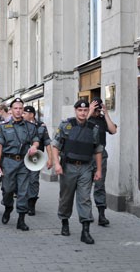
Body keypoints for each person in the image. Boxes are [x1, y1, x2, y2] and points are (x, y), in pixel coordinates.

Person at [51, 99, 103, 244]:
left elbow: (98, 150)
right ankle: (64, 222)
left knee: (85, 198)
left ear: (88, 111)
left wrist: (99, 170)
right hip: (69, 167)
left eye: (85, 110)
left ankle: (85, 231)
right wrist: (57, 164)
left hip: (86, 168)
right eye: (80, 110)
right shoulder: (66, 125)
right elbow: (55, 146)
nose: (82, 113)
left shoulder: (93, 128)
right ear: (75, 111)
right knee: (66, 197)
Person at [0, 98, 40, 231]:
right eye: (16, 108)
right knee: (7, 189)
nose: (18, 111)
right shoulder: (3, 126)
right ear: (11, 110)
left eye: (21, 108)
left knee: (23, 191)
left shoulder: (30, 126)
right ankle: (8, 208)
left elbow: (36, 140)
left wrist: (35, 146)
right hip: (8, 162)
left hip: (24, 163)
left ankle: (21, 219)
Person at [88, 97, 117, 226]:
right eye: (95, 108)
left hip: (101, 157)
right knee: (85, 187)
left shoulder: (101, 120)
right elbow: (79, 126)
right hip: (86, 157)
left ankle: (101, 215)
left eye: (98, 108)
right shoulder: (85, 118)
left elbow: (113, 130)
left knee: (99, 186)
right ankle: (86, 214)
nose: (96, 111)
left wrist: (106, 113)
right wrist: (89, 111)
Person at [22, 105, 52, 216]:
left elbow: (48, 143)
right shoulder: (20, 125)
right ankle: (23, 202)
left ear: (31, 115)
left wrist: (51, 159)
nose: (22, 114)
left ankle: (31, 204)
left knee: (33, 180)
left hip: (35, 159)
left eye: (25, 113)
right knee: (23, 179)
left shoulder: (41, 126)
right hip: (22, 157)